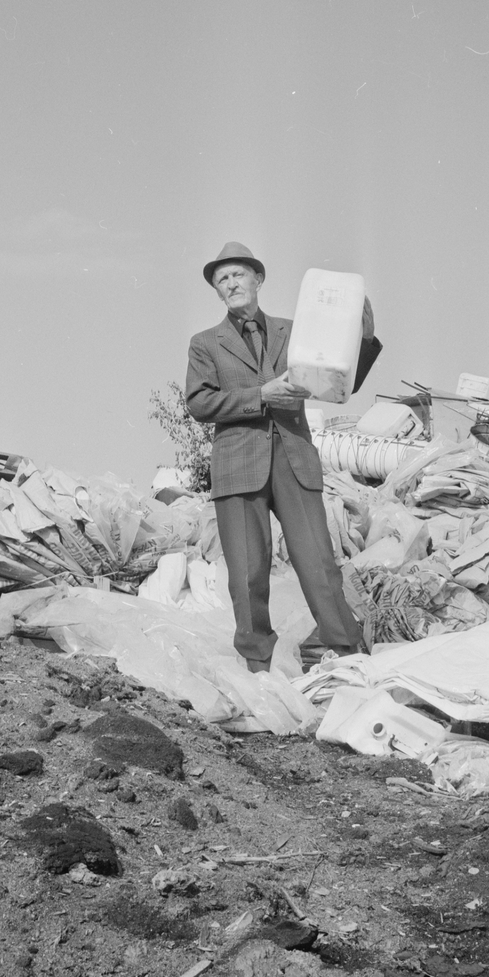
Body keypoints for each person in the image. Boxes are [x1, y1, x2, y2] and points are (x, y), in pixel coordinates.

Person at [185, 241, 382, 673]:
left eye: (238, 274)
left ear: (258, 279)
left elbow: (338, 379)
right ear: (217, 291)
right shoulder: (205, 344)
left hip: (294, 459)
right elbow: (199, 404)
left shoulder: (296, 330)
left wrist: (362, 340)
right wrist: (261, 395)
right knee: (247, 576)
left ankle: (351, 659)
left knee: (319, 566)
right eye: (223, 279)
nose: (231, 283)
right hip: (238, 469)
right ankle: (257, 670)